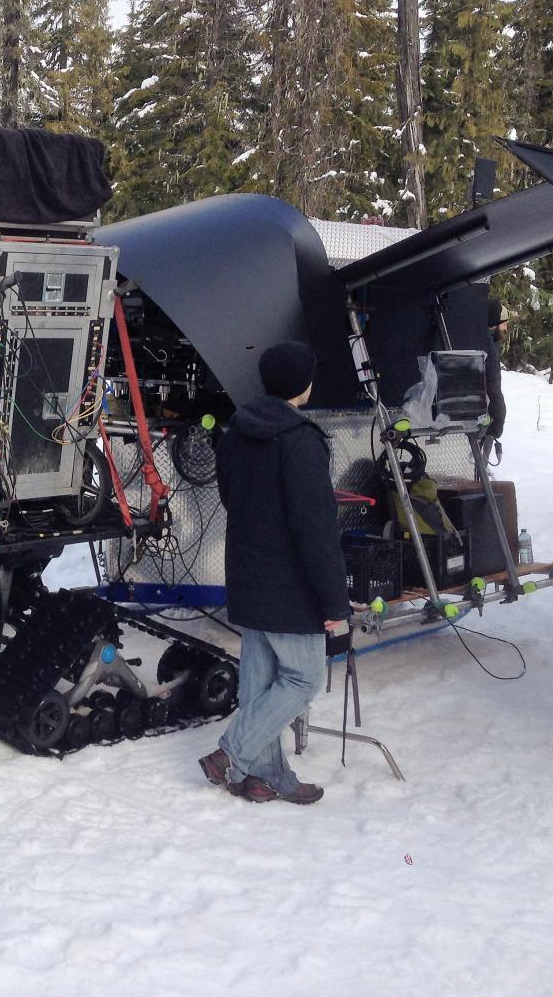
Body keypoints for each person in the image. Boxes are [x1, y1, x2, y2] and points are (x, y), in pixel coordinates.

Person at [198, 341, 351, 805]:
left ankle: (265, 779)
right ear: (304, 384)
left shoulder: (234, 432)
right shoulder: (301, 441)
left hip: (246, 572)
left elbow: (230, 498)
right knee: (304, 679)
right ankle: (232, 753)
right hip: (291, 585)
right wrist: (334, 603)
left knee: (260, 685)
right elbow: (316, 529)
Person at [484, 299, 509, 458]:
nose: (506, 327)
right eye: (504, 323)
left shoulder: (485, 339)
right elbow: (493, 386)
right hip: (482, 416)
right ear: (495, 322)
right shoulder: (488, 345)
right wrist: (498, 421)